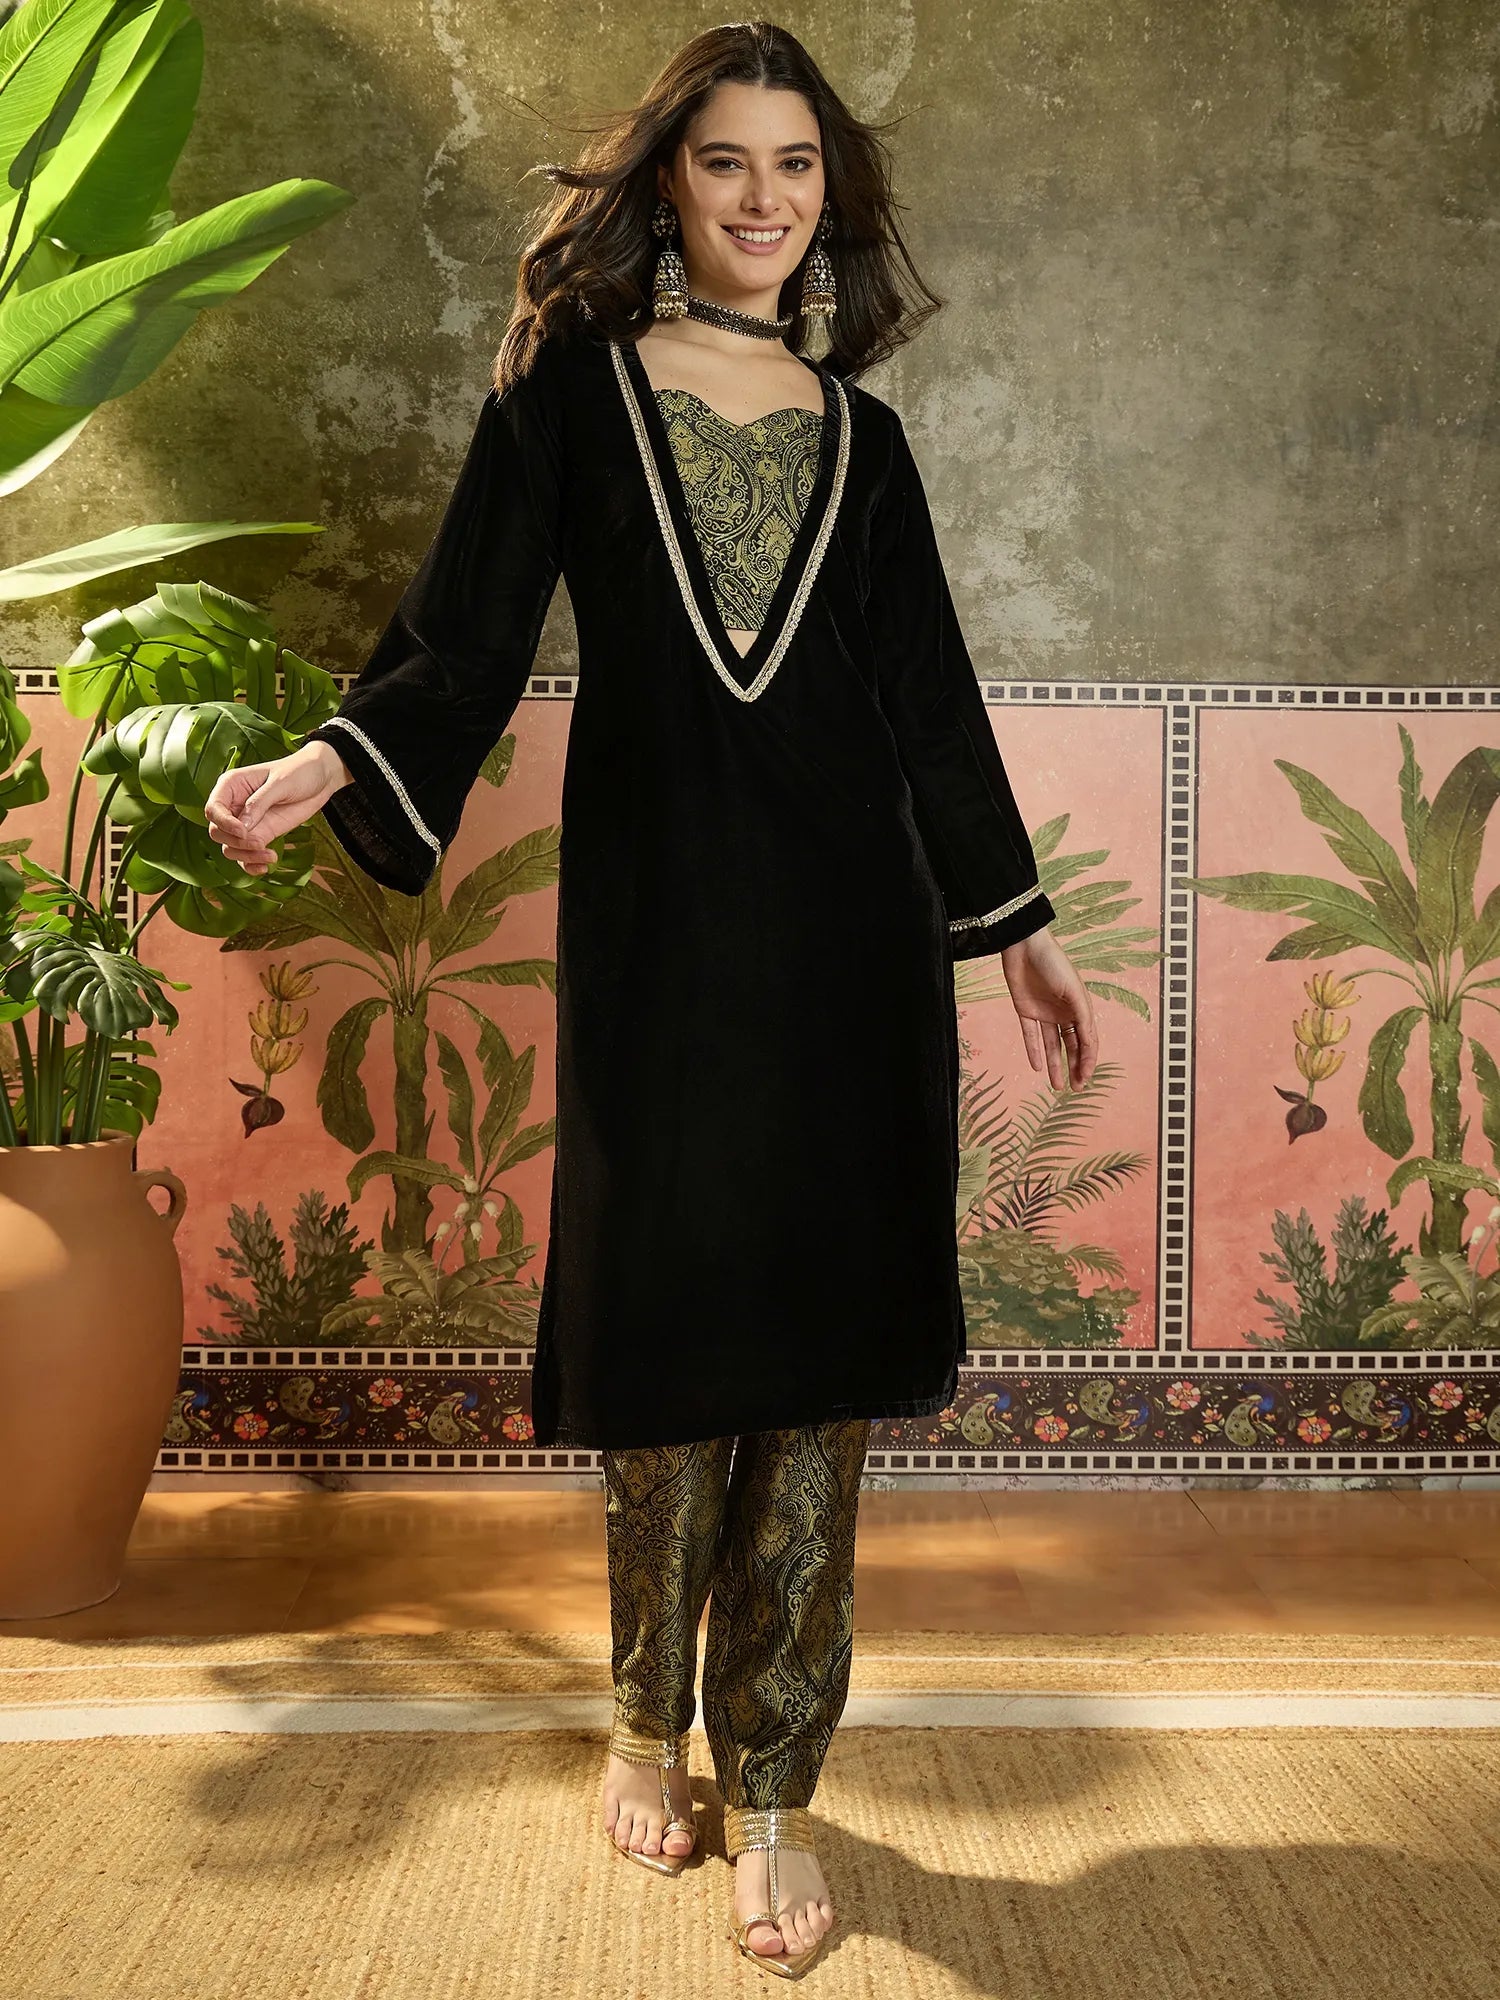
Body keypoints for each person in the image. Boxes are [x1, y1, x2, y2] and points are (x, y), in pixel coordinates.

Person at [205, 21, 1098, 1979]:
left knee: (821, 1369)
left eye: (798, 165)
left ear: (830, 199)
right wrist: (329, 761)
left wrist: (1014, 927)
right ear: (666, 187)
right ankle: (641, 1714)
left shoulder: (867, 445)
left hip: (854, 951)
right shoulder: (570, 397)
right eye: (726, 163)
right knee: (675, 1342)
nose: (764, 200)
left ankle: (776, 1786)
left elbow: (931, 707)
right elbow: (459, 632)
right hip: (662, 942)